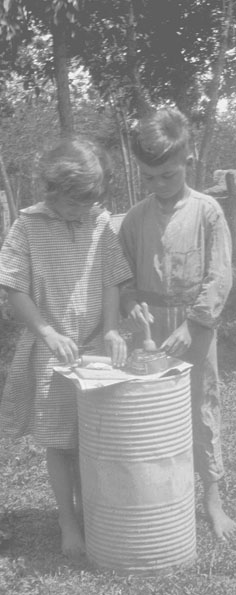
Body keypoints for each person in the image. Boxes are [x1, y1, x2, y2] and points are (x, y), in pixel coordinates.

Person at [0, 138, 132, 559]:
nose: (82, 212)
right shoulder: (27, 226)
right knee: (60, 441)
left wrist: (112, 330)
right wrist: (47, 333)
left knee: (98, 437)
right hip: (54, 355)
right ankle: (67, 520)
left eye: (89, 203)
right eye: (75, 204)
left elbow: (111, 278)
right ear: (51, 192)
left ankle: (99, 510)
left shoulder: (99, 222)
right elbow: (13, 288)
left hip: (96, 351)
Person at [119, 107, 236, 541]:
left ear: (187, 161)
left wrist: (194, 324)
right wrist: (129, 300)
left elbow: (220, 275)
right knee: (151, 411)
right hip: (151, 332)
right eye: (148, 178)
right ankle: (159, 491)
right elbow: (123, 276)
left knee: (201, 406)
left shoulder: (208, 213)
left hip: (195, 327)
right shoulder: (133, 219)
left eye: (167, 175)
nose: (158, 186)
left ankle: (212, 498)